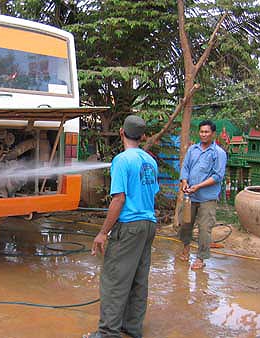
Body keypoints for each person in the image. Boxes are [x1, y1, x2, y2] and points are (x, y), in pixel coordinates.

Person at [83, 115, 159, 338]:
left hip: (129, 226)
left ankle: (107, 333)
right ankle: (132, 328)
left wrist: (102, 233)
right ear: (143, 136)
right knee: (138, 278)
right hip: (148, 225)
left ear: (121, 132)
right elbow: (153, 193)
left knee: (114, 279)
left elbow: (119, 199)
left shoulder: (122, 160)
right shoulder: (150, 161)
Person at [178, 120, 227, 270]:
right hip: (190, 196)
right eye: (201, 131)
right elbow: (185, 168)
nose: (204, 134)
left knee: (205, 228)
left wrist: (198, 186)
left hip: (208, 198)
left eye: (207, 132)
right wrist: (185, 182)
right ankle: (185, 248)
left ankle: (201, 258)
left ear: (213, 134)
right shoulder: (193, 149)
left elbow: (218, 176)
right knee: (185, 223)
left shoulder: (219, 153)